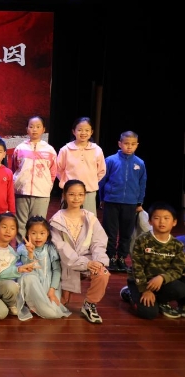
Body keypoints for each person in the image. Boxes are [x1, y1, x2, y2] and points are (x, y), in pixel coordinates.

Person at [49, 179, 110, 324]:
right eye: (72, 194)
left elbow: (99, 242)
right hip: (65, 263)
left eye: (80, 194)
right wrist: (85, 263)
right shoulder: (57, 220)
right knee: (59, 305)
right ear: (64, 195)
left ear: (84, 196)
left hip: (88, 259)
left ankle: (90, 304)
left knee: (102, 272)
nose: (76, 198)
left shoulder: (90, 218)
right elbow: (61, 248)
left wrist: (98, 261)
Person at [120, 202, 185, 319]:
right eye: (157, 218)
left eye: (166, 218)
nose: (162, 222)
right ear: (150, 221)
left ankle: (161, 300)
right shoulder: (142, 240)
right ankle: (130, 294)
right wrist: (145, 290)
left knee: (181, 289)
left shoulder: (177, 245)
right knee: (149, 313)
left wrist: (162, 277)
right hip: (141, 282)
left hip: (161, 282)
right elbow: (137, 268)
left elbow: (177, 269)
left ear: (174, 222)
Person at [99, 130, 147, 273]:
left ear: (137, 145)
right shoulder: (110, 160)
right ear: (120, 144)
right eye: (126, 143)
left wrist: (139, 202)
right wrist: (102, 198)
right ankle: (110, 258)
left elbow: (142, 183)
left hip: (130, 203)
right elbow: (102, 181)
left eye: (133, 144)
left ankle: (121, 258)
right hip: (112, 201)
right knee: (110, 232)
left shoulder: (140, 163)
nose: (129, 146)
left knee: (126, 233)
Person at [0, 213, 34, 319]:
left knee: (12, 286)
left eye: (12, 228)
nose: (8, 231)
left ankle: (5, 303)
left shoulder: (12, 252)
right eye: (4, 227)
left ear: (16, 232)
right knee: (2, 313)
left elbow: (3, 275)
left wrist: (29, 255)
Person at [16, 216, 71, 320]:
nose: (38, 237)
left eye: (42, 233)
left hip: (48, 284)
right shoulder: (23, 248)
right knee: (28, 277)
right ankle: (31, 303)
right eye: (33, 233)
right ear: (27, 233)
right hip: (31, 282)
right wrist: (30, 253)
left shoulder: (50, 248)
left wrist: (52, 290)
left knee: (53, 312)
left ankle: (37, 305)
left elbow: (56, 270)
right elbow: (27, 269)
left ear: (48, 233)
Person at [11, 115, 57, 241]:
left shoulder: (50, 150)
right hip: (22, 192)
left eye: (38, 127)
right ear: (27, 129)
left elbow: (53, 172)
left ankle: (36, 251)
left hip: (41, 193)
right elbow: (15, 168)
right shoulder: (20, 148)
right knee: (20, 224)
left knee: (37, 225)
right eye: (31, 127)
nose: (34, 129)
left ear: (43, 129)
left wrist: (47, 186)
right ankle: (21, 250)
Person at [55, 117, 106, 215]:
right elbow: (58, 169)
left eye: (87, 130)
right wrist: (67, 184)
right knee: (68, 217)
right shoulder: (65, 149)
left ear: (91, 132)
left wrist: (91, 181)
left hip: (89, 191)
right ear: (73, 131)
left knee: (88, 219)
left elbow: (101, 170)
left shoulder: (97, 150)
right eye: (80, 130)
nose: (83, 133)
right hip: (70, 191)